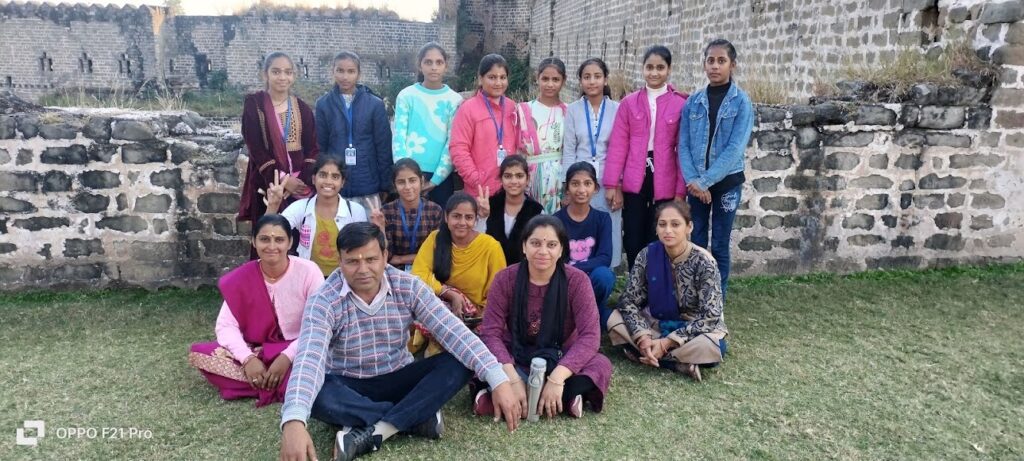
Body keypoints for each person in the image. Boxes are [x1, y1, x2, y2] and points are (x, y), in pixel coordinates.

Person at [278, 223, 522, 461]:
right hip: (349, 384)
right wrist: (293, 421)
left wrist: (499, 380)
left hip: (399, 377)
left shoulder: (408, 286)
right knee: (319, 394)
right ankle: (417, 417)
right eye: (352, 261)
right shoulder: (323, 301)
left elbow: (453, 331)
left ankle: (378, 430)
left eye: (371, 259)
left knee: (458, 362)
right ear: (339, 261)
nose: (363, 269)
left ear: (385, 256)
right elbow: (310, 359)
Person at [475, 215, 612, 419]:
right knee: (479, 358)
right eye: (535, 243)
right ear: (524, 246)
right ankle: (562, 399)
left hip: (560, 355)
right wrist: (512, 379)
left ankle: (513, 396)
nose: (543, 251)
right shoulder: (505, 279)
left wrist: (556, 379)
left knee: (600, 364)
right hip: (516, 353)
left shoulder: (577, 281)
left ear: (561, 249)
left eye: (551, 245)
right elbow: (491, 333)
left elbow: (590, 336)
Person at [188, 214, 325, 406]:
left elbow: (319, 325)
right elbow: (226, 326)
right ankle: (277, 380)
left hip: (301, 346)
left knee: (319, 358)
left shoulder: (308, 272)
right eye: (264, 239)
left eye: (279, 240)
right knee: (201, 354)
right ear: (254, 242)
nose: (271, 246)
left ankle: (267, 381)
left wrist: (286, 357)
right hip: (258, 349)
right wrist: (248, 359)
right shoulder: (242, 277)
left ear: (290, 242)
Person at [607, 202, 728, 382]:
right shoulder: (647, 255)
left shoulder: (704, 262)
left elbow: (711, 316)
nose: (668, 230)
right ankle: (675, 361)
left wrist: (667, 342)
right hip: (655, 324)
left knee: (715, 346)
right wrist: (643, 336)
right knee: (612, 320)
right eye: (662, 224)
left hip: (691, 328)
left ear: (689, 227)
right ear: (656, 229)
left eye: (675, 224)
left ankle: (649, 355)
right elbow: (628, 301)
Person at [678, 39, 754, 299]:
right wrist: (694, 181)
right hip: (696, 186)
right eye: (710, 60)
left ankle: (715, 299)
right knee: (696, 242)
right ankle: (695, 294)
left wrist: (705, 182)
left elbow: (735, 148)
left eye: (721, 61)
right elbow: (684, 144)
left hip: (726, 184)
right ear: (704, 64)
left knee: (720, 244)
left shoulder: (741, 102)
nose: (715, 66)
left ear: (732, 65)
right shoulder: (694, 102)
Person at [603, 45, 688, 271]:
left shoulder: (680, 104)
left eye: (660, 68)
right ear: (643, 69)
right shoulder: (629, 103)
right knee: (633, 235)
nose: (654, 72)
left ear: (669, 70)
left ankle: (656, 284)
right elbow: (619, 145)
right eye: (649, 67)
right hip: (635, 178)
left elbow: (683, 150)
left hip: (665, 178)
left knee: (659, 235)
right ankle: (635, 281)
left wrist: (680, 191)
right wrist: (612, 184)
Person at [238, 52, 318, 258]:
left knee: (296, 239)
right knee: (268, 235)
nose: (282, 77)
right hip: (267, 183)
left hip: (299, 187)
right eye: (276, 72)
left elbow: (312, 148)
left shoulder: (302, 108)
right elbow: (256, 148)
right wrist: (283, 180)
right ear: (265, 74)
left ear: (294, 76)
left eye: (288, 72)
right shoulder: (255, 105)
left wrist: (299, 182)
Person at [410, 192, 507, 356]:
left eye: (468, 217)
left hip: (476, 316)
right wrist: (450, 294)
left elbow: (499, 290)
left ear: (475, 220)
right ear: (446, 217)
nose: (462, 223)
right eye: (456, 216)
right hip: (440, 307)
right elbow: (419, 273)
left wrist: (479, 317)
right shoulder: (435, 239)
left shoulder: (491, 247)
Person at [266, 154, 383, 278]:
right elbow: (270, 232)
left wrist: (380, 228)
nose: (328, 181)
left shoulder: (355, 211)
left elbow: (365, 249)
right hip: (310, 278)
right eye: (323, 175)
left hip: (345, 279)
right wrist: (273, 205)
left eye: (335, 177)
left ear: (342, 182)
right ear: (313, 179)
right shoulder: (301, 207)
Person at [562, 57, 622, 268]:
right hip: (580, 180)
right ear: (580, 81)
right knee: (581, 227)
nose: (592, 81)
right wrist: (568, 188)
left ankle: (607, 274)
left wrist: (618, 186)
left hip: (608, 180)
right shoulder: (573, 110)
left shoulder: (617, 109)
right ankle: (578, 273)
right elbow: (569, 150)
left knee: (609, 227)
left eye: (597, 76)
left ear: (605, 79)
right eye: (587, 77)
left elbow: (620, 149)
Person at [315, 51, 393, 212]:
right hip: (335, 183)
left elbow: (383, 147)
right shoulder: (323, 104)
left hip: (368, 181)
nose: (345, 77)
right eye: (340, 70)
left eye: (351, 71)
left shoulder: (375, 104)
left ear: (359, 73)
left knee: (369, 226)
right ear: (333, 71)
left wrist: (385, 184)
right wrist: (321, 179)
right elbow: (320, 147)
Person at [392, 42, 464, 207]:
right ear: (420, 65)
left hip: (441, 177)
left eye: (439, 62)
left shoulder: (454, 100)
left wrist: (436, 179)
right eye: (428, 62)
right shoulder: (406, 96)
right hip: (409, 176)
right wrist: (405, 175)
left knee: (440, 220)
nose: (434, 67)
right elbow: (399, 138)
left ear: (445, 66)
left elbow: (452, 141)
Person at [554, 162, 616, 331]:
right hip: (566, 278)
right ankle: (586, 318)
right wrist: (572, 273)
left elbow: (605, 258)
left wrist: (578, 269)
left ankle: (586, 317)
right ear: (567, 189)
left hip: (592, 278)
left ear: (595, 188)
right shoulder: (555, 220)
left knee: (604, 276)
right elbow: (554, 259)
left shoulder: (602, 219)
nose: (581, 190)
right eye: (575, 184)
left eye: (587, 183)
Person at [450, 53, 522, 197]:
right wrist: (476, 180)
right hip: (480, 192)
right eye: (492, 77)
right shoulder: (468, 109)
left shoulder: (512, 107)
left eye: (502, 77)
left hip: (510, 189)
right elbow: (458, 148)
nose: (498, 83)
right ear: (480, 78)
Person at [518, 57, 567, 214]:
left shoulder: (568, 112)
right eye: (545, 79)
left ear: (563, 81)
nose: (550, 84)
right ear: (537, 78)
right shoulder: (524, 110)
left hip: (559, 179)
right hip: (530, 177)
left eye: (555, 79)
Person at [476, 155, 543, 265]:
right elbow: (478, 242)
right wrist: (482, 217)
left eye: (519, 176)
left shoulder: (536, 210)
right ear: (501, 179)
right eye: (508, 176)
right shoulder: (490, 205)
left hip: (524, 270)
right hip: (491, 267)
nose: (513, 181)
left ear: (527, 179)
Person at [381, 158, 444, 272]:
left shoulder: (434, 210)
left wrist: (400, 259)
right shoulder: (386, 212)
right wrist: (379, 226)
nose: (407, 187)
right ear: (394, 185)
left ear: (422, 181)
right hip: (394, 272)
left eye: (412, 180)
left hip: (426, 269)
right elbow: (386, 256)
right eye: (401, 182)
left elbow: (435, 252)